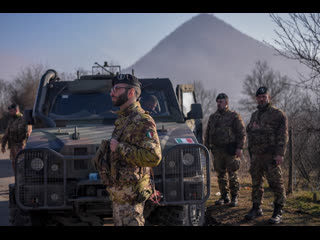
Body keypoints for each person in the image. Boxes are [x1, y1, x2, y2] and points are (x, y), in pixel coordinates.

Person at [107, 73, 162, 226]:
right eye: (112, 88)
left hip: (132, 196)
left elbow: (153, 156)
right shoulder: (123, 119)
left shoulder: (143, 120)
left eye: (117, 88)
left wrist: (120, 148)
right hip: (120, 195)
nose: (112, 92)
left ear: (131, 93)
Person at [245, 86, 288, 224]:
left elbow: (283, 136)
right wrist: (252, 127)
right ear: (256, 99)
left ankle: (278, 211)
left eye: (264, 97)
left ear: (268, 97)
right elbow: (249, 129)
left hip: (271, 155)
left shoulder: (278, 114)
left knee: (276, 183)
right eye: (259, 97)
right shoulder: (255, 115)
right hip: (257, 156)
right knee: (256, 183)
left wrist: (280, 154)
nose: (261, 99)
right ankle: (256, 208)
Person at [204, 93, 246, 207]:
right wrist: (205, 147)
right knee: (220, 175)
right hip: (217, 151)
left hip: (230, 150)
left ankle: (234, 197)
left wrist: (239, 148)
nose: (218, 104)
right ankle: (224, 196)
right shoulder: (213, 117)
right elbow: (207, 134)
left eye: (220, 102)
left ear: (226, 103)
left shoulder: (234, 116)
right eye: (217, 102)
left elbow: (241, 133)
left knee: (232, 174)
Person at [1, 104, 31, 173]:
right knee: (14, 163)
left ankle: (23, 180)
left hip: (21, 146)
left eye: (11, 111)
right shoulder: (11, 121)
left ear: (16, 110)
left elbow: (29, 134)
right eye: (9, 111)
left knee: (22, 164)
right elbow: (6, 134)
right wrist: (3, 145)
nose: (10, 113)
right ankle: (16, 180)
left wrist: (27, 145)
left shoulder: (25, 120)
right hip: (12, 147)